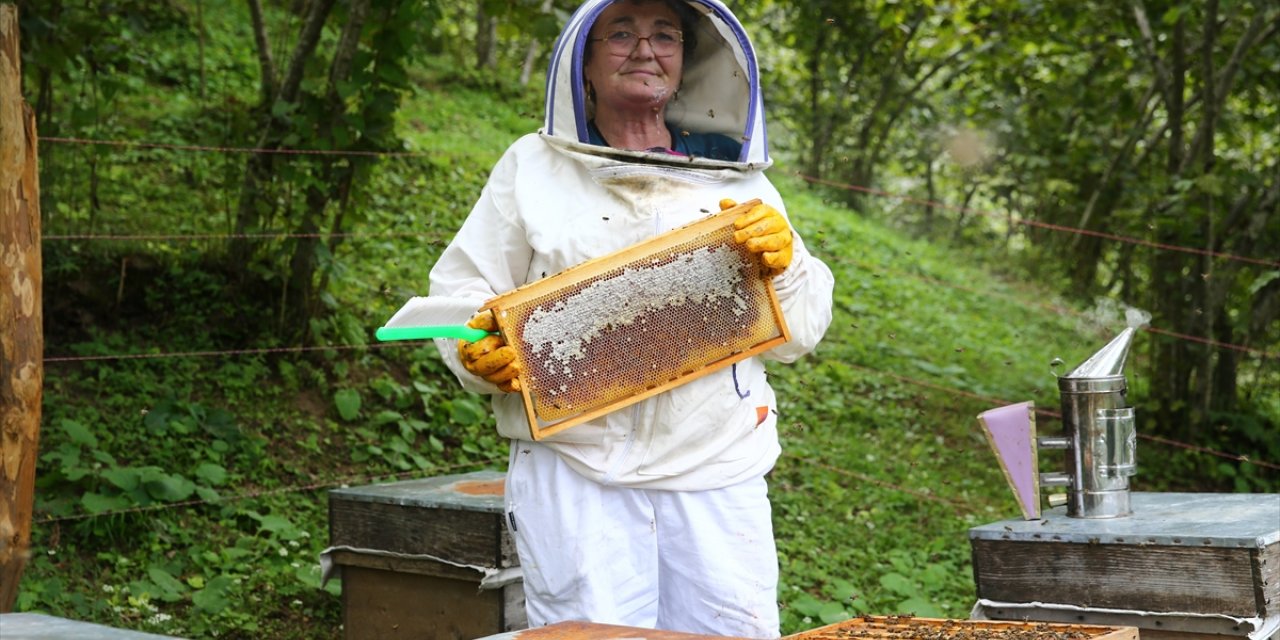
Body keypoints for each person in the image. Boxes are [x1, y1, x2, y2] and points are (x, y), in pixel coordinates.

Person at [427, 0, 834, 636]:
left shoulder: (739, 180)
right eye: (621, 33)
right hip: (575, 471)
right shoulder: (533, 168)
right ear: (583, 64)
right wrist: (475, 348)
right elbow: (460, 290)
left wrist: (787, 268)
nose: (645, 49)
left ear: (686, 61)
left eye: (664, 35)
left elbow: (800, 332)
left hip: (715, 468)